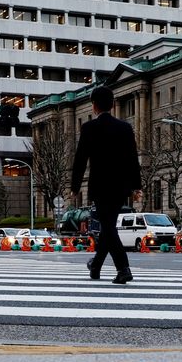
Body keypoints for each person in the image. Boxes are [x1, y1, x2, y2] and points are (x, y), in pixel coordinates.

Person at [71, 86, 142, 284]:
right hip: (121, 187)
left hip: (100, 186)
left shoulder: (89, 128)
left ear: (94, 106)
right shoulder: (125, 127)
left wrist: (75, 187)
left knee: (108, 227)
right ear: (112, 105)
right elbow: (132, 159)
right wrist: (137, 186)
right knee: (108, 226)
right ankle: (95, 266)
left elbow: (80, 160)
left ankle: (123, 268)